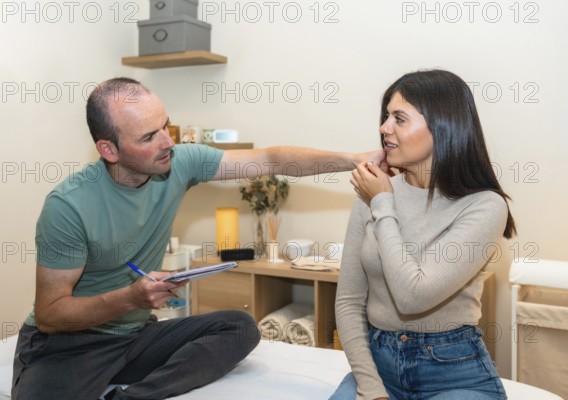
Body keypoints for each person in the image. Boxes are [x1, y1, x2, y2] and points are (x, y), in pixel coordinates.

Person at [11, 77, 385, 400]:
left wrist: (355, 159)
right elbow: (50, 315)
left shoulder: (179, 163)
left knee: (238, 328)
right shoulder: (69, 206)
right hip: (68, 345)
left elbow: (270, 160)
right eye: (148, 136)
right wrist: (130, 298)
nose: (166, 142)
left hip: (134, 337)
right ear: (109, 149)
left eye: (166, 127)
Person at [331, 69, 516, 400]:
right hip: (380, 366)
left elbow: (413, 295)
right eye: (386, 116)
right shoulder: (372, 192)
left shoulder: (485, 206)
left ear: (442, 126)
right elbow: (348, 301)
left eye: (399, 118)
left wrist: (382, 203)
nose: (384, 128)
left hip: (453, 372)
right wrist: (372, 390)